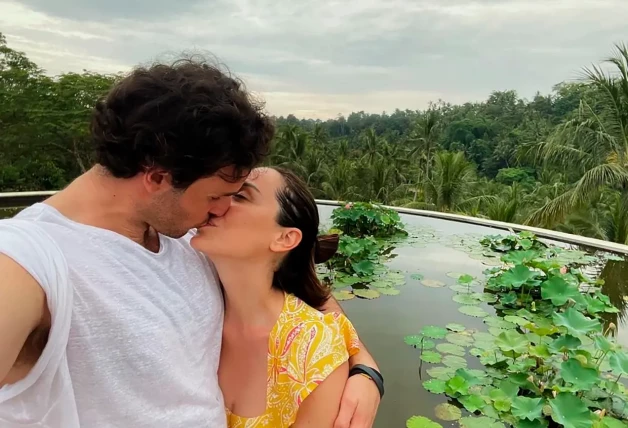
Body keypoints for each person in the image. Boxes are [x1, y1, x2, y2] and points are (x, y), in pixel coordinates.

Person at [0, 57, 382, 428]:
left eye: (237, 197)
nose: (220, 211)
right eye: (216, 196)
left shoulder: (187, 239)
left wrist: (365, 368)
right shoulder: (29, 260)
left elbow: (310, 299)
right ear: (158, 177)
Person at [190, 166, 383, 427]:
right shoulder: (189, 291)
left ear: (285, 238)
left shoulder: (313, 352)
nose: (218, 202)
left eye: (240, 196)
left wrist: (368, 373)